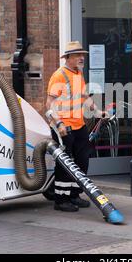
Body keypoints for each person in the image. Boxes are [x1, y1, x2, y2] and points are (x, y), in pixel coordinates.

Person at [46, 41, 108, 212]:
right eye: (78, 55)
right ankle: (61, 199)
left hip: (78, 125)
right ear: (68, 57)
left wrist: (97, 111)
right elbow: (49, 103)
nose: (82, 58)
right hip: (63, 127)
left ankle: (74, 194)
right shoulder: (58, 76)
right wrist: (58, 123)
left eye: (83, 55)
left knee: (82, 159)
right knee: (65, 163)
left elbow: (83, 96)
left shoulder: (78, 74)